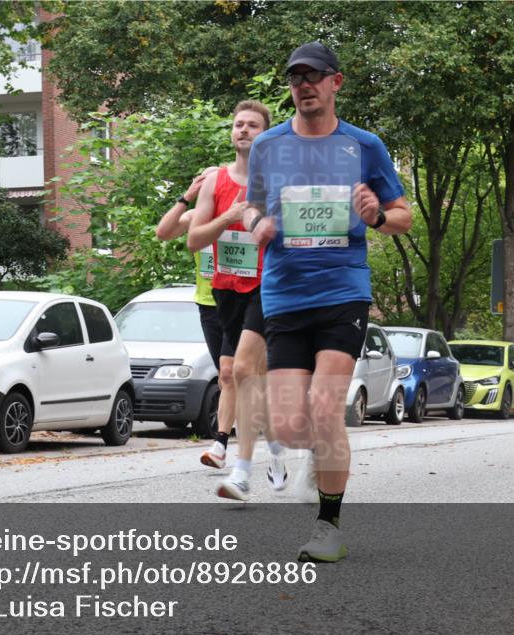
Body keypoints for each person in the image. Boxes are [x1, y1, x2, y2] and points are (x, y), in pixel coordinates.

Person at [245, 42, 411, 562]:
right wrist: (258, 225)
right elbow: (250, 208)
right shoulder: (269, 146)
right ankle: (322, 447)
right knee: (292, 424)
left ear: (335, 82)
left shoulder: (364, 145)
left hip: (343, 291)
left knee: (324, 407)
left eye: (313, 76)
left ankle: (328, 526)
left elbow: (402, 212)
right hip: (284, 295)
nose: (303, 85)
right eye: (295, 78)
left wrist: (377, 217)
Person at [187, 100, 288, 500]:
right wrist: (228, 218)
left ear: (265, 135)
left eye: (252, 125)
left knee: (242, 369)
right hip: (226, 288)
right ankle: (276, 449)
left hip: (270, 286)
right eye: (237, 124)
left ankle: (239, 470)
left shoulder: (280, 179)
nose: (243, 130)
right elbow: (195, 239)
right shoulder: (215, 182)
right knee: (243, 377)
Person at [155, 167, 237, 467]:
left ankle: (221, 442)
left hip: (240, 299)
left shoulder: (237, 213)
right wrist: (186, 197)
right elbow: (162, 232)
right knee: (229, 374)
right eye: (204, 186)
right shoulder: (195, 218)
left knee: (229, 373)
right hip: (208, 303)